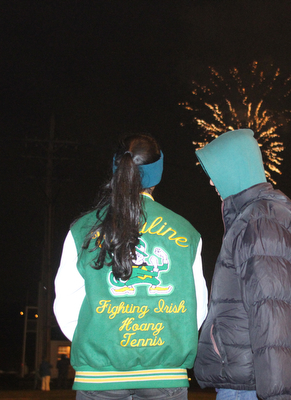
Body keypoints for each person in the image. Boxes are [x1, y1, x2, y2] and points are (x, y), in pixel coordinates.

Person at [53, 134, 208, 400]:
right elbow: (198, 306)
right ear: (158, 173)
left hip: (100, 375)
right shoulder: (187, 232)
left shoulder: (83, 229)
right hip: (165, 373)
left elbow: (65, 304)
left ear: (117, 168)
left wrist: (97, 341)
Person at [193, 129, 291, 400]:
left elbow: (272, 308)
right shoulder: (254, 217)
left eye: (217, 172)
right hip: (247, 377)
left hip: (250, 386)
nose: (212, 183)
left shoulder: (261, 222)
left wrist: (276, 392)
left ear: (235, 169)